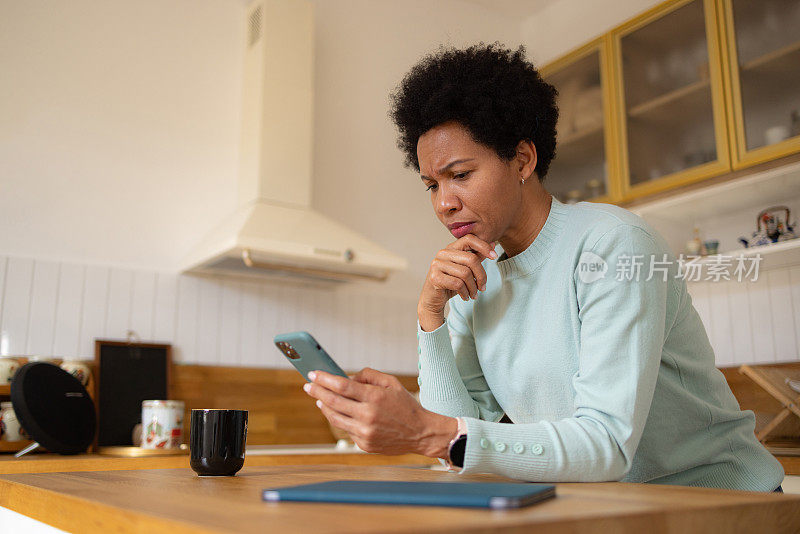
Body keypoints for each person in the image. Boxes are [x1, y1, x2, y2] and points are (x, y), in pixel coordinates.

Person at [303, 43, 784, 491]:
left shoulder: (613, 245)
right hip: (614, 506)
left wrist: (427, 432)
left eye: (461, 175)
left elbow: (607, 444)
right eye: (432, 185)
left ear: (523, 159)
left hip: (725, 504)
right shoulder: (474, 275)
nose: (445, 203)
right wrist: (431, 317)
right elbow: (460, 447)